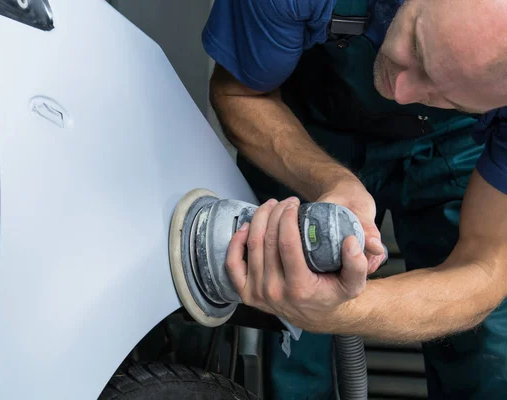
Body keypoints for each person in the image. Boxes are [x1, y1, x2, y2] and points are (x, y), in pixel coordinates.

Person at [202, 0, 507, 398]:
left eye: (445, 93)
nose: (402, 93)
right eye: (416, 47)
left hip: (459, 147)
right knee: (290, 338)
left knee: (487, 353)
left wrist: (342, 310)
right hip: (308, 124)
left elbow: (486, 268)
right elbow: (239, 93)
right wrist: (329, 179)